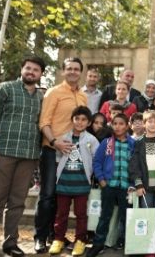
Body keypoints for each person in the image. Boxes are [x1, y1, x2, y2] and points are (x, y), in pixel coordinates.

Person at [0, 56, 46, 257]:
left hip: (29, 155)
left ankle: (10, 243)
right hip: (3, 152)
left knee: (17, 202)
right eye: (28, 68)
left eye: (35, 70)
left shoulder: (41, 97)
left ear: (40, 74)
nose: (31, 72)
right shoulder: (5, 89)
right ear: (22, 69)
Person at [35, 57, 87, 253]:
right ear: (64, 71)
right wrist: (55, 142)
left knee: (61, 196)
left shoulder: (82, 96)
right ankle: (40, 237)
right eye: (69, 68)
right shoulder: (54, 92)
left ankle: (55, 235)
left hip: (72, 153)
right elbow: (44, 123)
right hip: (52, 149)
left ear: (80, 72)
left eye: (76, 69)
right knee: (47, 195)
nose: (73, 71)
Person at [49, 106, 100, 256]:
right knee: (61, 213)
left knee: (81, 214)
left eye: (84, 119)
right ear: (72, 120)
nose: (79, 122)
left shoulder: (91, 140)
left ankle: (80, 241)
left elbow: (96, 159)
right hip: (64, 183)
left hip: (82, 184)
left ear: (89, 122)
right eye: (77, 118)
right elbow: (58, 158)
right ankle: (58, 239)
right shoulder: (64, 138)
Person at [86, 114, 135, 257]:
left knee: (126, 216)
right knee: (105, 216)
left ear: (127, 126)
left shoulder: (133, 144)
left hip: (126, 188)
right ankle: (98, 243)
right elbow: (97, 162)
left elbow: (137, 165)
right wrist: (101, 180)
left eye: (121, 124)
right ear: (111, 125)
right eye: (115, 124)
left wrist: (133, 184)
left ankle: (129, 243)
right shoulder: (106, 143)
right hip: (109, 186)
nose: (118, 126)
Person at [128, 110, 155, 257]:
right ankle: (148, 245)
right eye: (149, 121)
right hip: (145, 188)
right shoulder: (139, 143)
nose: (152, 124)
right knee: (146, 217)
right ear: (144, 124)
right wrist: (139, 185)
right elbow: (134, 166)